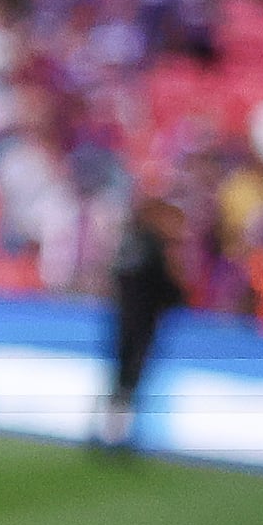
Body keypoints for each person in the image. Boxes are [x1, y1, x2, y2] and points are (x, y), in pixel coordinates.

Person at [100, 192, 183, 451]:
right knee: (129, 377)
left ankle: (112, 431)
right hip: (139, 322)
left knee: (122, 376)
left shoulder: (130, 244)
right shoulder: (150, 248)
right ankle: (116, 434)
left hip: (124, 320)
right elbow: (165, 288)